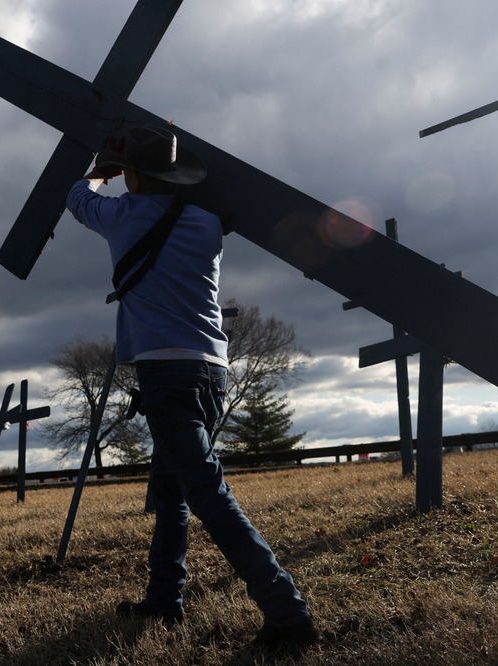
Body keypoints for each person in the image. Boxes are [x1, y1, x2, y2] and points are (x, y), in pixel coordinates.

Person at [66, 126, 321, 652]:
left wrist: (97, 172)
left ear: (132, 176)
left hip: (164, 374)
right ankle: (164, 600)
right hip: (213, 371)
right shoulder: (206, 224)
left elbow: (75, 198)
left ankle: (287, 613)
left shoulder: (120, 215)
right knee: (171, 490)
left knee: (207, 494)